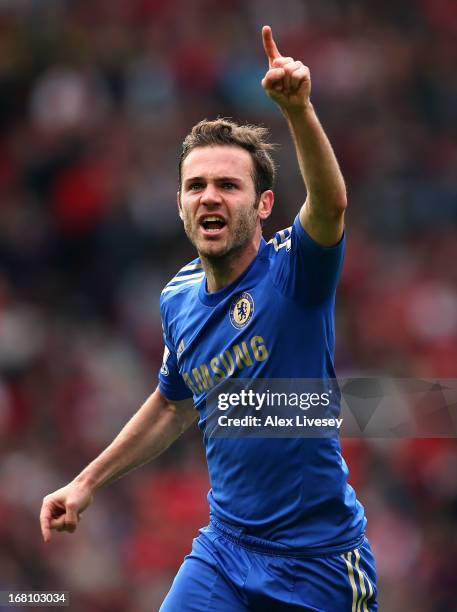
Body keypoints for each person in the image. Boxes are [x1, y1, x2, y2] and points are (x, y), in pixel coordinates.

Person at [40, 26, 378, 611]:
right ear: (179, 204)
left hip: (320, 561)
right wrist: (86, 482)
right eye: (195, 186)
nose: (209, 197)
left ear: (263, 204)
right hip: (225, 553)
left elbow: (331, 205)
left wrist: (297, 111)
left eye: (228, 185)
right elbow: (172, 403)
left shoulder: (293, 274)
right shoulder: (178, 298)